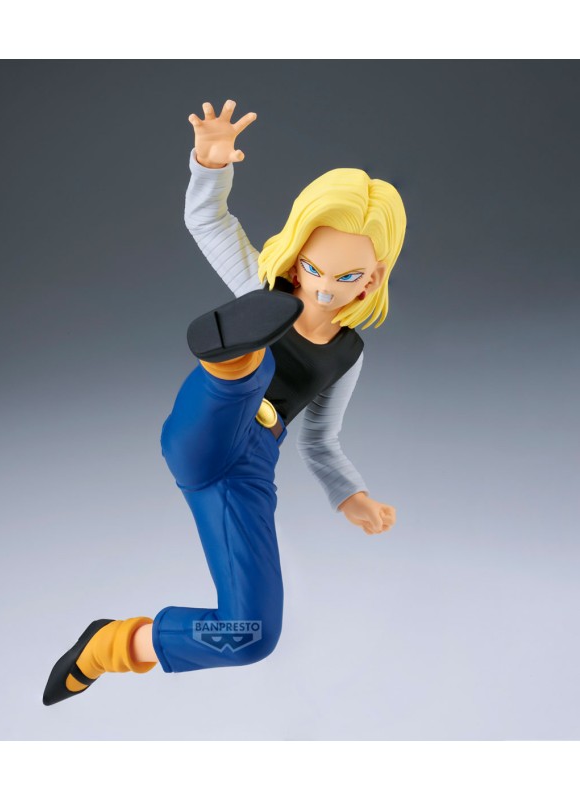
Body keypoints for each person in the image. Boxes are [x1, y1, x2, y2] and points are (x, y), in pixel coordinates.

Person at [43, 99, 407, 705]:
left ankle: (106, 646)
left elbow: (321, 440)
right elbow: (208, 221)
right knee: (254, 351)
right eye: (313, 268)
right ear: (296, 258)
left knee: (250, 635)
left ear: (372, 278)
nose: (323, 286)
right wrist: (210, 164)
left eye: (345, 277)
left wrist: (354, 496)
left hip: (249, 468)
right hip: (207, 426)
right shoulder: (261, 289)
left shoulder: (349, 353)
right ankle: (230, 357)